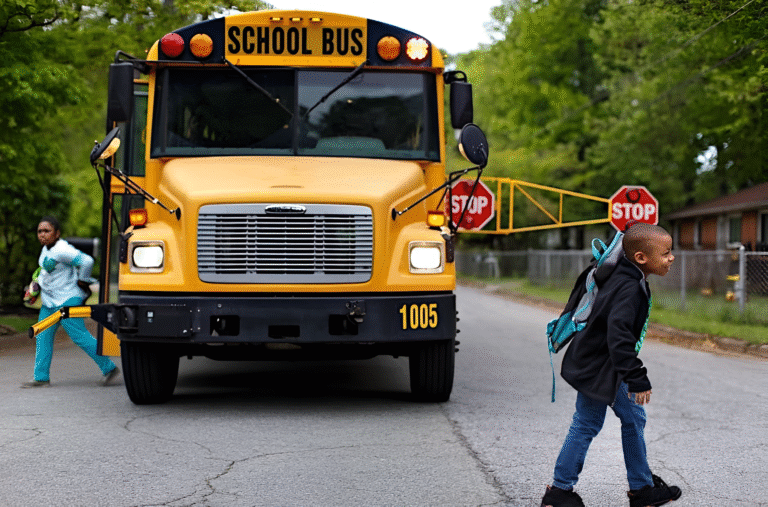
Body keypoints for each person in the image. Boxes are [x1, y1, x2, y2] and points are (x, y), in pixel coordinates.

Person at [541, 223, 682, 507]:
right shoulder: (630, 286)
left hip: (601, 365)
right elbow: (618, 337)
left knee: (628, 419)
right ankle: (560, 492)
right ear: (641, 257)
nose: (671, 258)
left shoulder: (626, 276)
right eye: (666, 253)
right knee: (588, 424)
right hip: (602, 368)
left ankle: (640, 489)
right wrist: (637, 376)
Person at [21, 216, 120, 388]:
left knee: (79, 336)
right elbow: (46, 270)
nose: (42, 234)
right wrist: (35, 286)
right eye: (40, 231)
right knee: (43, 336)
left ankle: (109, 368)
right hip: (50, 302)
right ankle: (41, 377)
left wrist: (83, 280)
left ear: (57, 233)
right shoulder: (46, 248)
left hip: (67, 300)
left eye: (47, 231)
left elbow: (87, 261)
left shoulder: (62, 249)